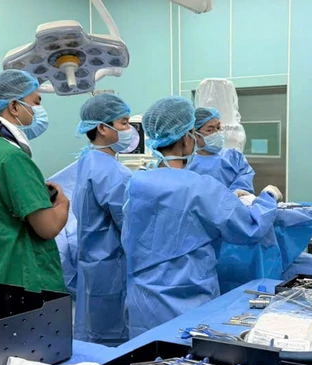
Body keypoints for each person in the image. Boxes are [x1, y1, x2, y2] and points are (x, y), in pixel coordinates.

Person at [121, 96, 282, 338]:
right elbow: (249, 227)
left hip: (142, 302)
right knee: (183, 357)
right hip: (186, 302)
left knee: (144, 354)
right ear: (188, 136)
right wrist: (268, 198)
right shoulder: (199, 187)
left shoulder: (137, 182)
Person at [0, 70, 69, 293]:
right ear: (14, 106)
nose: (39, 110)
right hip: (18, 280)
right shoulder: (12, 158)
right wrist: (63, 203)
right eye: (36, 102)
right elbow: (48, 227)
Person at [73, 93, 137, 345]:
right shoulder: (113, 172)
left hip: (92, 261)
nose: (129, 130)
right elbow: (130, 224)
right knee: (112, 337)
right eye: (124, 123)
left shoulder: (87, 159)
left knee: (91, 329)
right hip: (111, 265)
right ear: (102, 128)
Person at [187, 107, 256, 193]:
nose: (216, 133)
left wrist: (233, 195)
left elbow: (244, 187)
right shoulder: (187, 162)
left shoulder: (235, 157)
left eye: (218, 128)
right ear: (195, 134)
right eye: (210, 130)